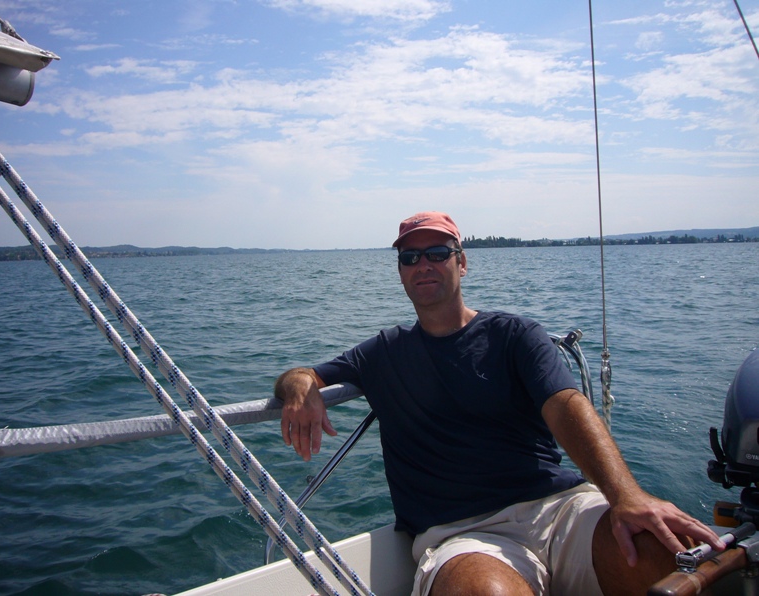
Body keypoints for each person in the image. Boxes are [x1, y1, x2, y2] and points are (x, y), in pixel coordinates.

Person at [275, 211, 724, 595]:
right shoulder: (382, 353)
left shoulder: (516, 336)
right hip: (462, 533)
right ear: (400, 272)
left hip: (558, 508)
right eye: (410, 257)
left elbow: (565, 405)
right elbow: (300, 375)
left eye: (437, 253)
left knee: (667, 553)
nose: (423, 264)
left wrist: (625, 496)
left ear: (462, 262)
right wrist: (300, 389)